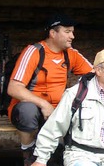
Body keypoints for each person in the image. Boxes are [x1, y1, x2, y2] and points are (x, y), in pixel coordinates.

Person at [31, 49, 104, 166]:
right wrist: (41, 159)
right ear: (98, 70)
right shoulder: (76, 94)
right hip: (83, 157)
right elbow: (54, 127)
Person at [7, 13, 94, 165]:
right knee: (28, 111)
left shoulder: (71, 54)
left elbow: (94, 74)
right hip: (32, 110)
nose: (72, 36)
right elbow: (14, 88)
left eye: (72, 32)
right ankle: (28, 150)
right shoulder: (33, 51)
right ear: (53, 33)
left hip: (58, 111)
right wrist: (44, 104)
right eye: (67, 32)